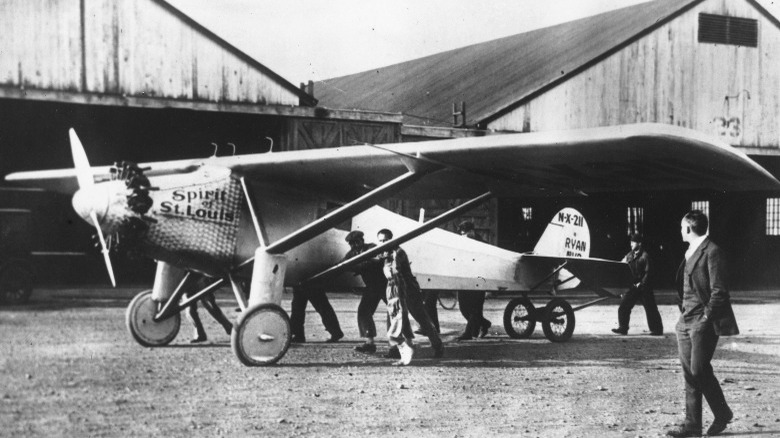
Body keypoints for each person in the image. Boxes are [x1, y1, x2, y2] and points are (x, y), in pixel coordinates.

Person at [666, 210, 738, 438]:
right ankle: (692, 427)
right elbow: (683, 285)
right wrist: (683, 314)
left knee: (698, 369)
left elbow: (720, 291)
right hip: (685, 321)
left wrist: (706, 318)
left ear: (688, 228)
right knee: (690, 373)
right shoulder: (689, 251)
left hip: (702, 322)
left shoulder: (712, 251)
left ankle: (722, 412)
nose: (680, 231)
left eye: (681, 227)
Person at [377, 228, 444, 365]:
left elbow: (395, 272)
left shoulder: (397, 253)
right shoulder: (387, 253)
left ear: (391, 239)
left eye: (385, 240)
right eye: (381, 241)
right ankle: (395, 350)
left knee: (421, 318)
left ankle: (437, 346)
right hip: (396, 288)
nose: (383, 243)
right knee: (392, 319)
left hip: (407, 289)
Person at [342, 231, 388, 354]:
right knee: (364, 311)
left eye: (357, 242)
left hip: (384, 284)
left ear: (362, 240)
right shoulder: (352, 253)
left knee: (395, 311)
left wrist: (357, 266)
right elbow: (344, 264)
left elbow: (377, 261)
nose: (355, 245)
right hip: (372, 286)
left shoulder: (372, 248)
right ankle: (369, 343)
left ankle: (399, 344)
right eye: (352, 244)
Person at [611, 233, 663, 336]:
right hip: (633, 286)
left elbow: (649, 273)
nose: (631, 244)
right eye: (631, 242)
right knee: (624, 306)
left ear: (639, 243)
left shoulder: (645, 256)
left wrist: (642, 283)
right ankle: (623, 328)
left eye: (633, 242)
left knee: (650, 308)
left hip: (644, 288)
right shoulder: (629, 255)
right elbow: (622, 265)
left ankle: (657, 330)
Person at [455, 221, 492, 340]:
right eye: (461, 234)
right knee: (463, 308)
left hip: (478, 281)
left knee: (475, 309)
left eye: (464, 233)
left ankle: (468, 333)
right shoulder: (461, 245)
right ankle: (484, 324)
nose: (462, 236)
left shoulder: (483, 245)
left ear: (471, 231)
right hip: (465, 280)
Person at [184, 279, 234, 343]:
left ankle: (230, 328)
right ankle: (199, 334)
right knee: (189, 308)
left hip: (200, 276)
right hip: (187, 278)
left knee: (209, 304)